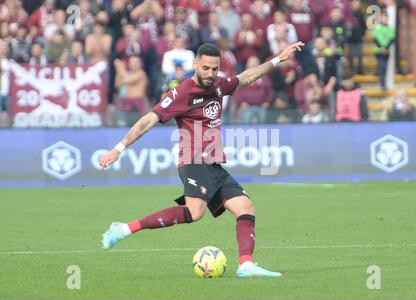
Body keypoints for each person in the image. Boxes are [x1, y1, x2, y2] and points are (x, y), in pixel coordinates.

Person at [99, 41, 304, 277]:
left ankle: (246, 264)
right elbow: (148, 120)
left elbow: (246, 78)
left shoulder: (219, 85)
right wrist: (118, 148)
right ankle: (124, 229)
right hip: (193, 161)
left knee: (245, 208)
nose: (210, 74)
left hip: (213, 163)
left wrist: (278, 59)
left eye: (215, 69)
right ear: (195, 64)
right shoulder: (182, 93)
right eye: (205, 68)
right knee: (195, 212)